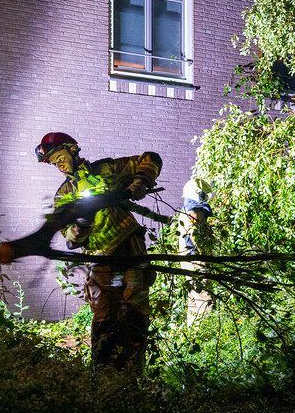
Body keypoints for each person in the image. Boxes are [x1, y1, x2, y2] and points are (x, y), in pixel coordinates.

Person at [35, 132, 162, 369]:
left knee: (135, 312)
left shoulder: (107, 170)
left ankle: (133, 377)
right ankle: (103, 378)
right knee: (104, 319)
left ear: (72, 149)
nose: (59, 165)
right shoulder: (64, 195)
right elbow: (70, 240)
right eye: (54, 163)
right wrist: (83, 221)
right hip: (100, 260)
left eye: (60, 157)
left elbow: (151, 158)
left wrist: (140, 183)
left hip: (129, 249)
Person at [178, 177, 214, 325]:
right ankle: (206, 334)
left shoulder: (184, 212)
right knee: (206, 300)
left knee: (193, 300)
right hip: (197, 263)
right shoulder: (194, 213)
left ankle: (192, 336)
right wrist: (206, 260)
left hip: (188, 264)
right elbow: (196, 237)